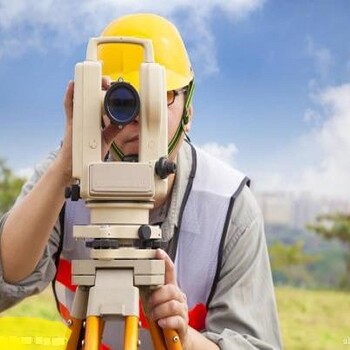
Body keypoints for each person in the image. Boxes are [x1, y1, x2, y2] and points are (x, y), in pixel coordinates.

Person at [0, 13, 283, 350]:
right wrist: (66, 167)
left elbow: (256, 345)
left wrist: (185, 337)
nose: (135, 115)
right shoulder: (65, 173)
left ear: (188, 111)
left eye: (159, 94)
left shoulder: (227, 205)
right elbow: (9, 275)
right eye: (121, 97)